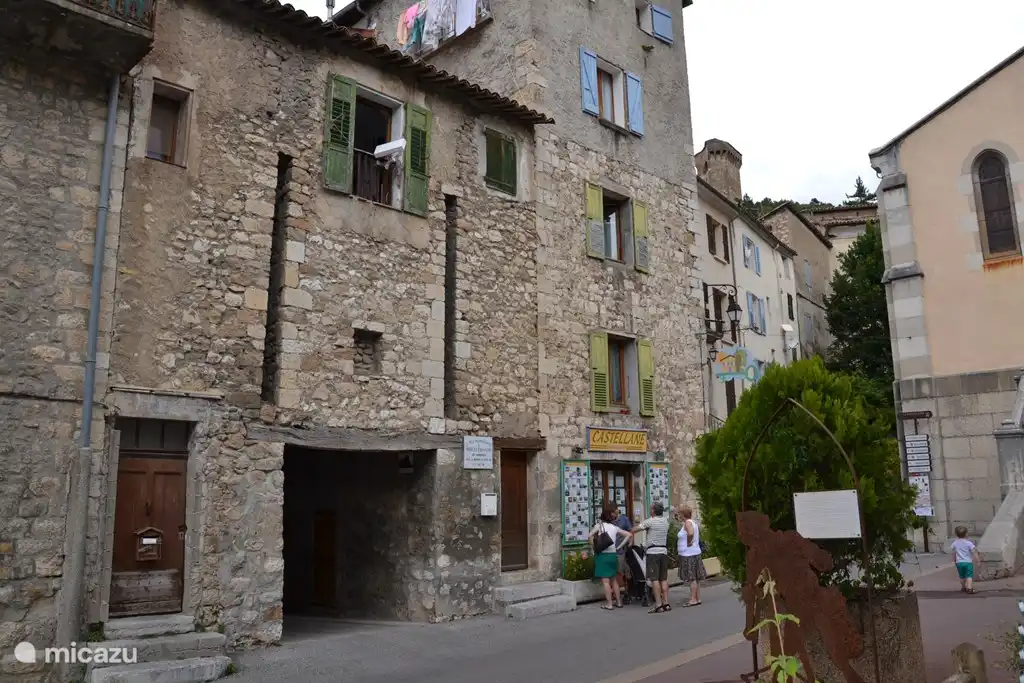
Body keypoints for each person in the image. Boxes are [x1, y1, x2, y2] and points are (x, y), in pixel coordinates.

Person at [589, 504, 633, 610]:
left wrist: (594, 546)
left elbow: (589, 535)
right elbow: (629, 535)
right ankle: (619, 602)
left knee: (605, 581)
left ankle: (609, 604)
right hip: (613, 555)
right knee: (614, 580)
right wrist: (619, 547)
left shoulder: (599, 526)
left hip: (603, 556)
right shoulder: (615, 527)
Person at [633, 501, 671, 613]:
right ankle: (666, 603)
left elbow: (635, 530)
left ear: (653, 510)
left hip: (653, 552)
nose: (650, 510)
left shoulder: (650, 521)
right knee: (663, 579)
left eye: (651, 509)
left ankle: (658, 604)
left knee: (654, 579)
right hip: (663, 551)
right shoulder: (665, 521)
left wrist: (635, 524)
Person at [677, 505, 707, 607]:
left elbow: (690, 533)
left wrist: (689, 542)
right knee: (696, 577)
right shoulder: (693, 522)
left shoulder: (687, 523)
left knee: (691, 577)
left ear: (683, 514)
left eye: (679, 513)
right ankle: (697, 598)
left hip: (688, 554)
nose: (678, 515)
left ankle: (693, 599)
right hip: (694, 552)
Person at [610, 507, 633, 601]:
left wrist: (630, 546)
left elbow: (630, 532)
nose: (611, 515)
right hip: (610, 551)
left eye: (612, 512)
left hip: (621, 551)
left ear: (616, 510)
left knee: (621, 572)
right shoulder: (610, 521)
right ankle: (616, 593)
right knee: (613, 572)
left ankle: (627, 592)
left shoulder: (624, 519)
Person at [951, 525, 980, 594]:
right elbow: (974, 552)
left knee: (962, 576)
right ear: (966, 534)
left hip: (959, 563)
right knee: (969, 576)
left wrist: (953, 561)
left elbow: (953, 553)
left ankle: (963, 587)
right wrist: (978, 560)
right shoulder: (969, 543)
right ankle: (969, 588)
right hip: (968, 562)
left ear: (956, 534)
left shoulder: (955, 543)